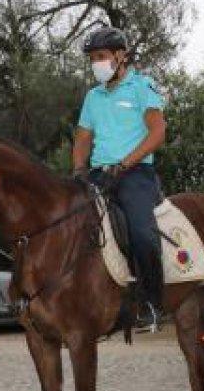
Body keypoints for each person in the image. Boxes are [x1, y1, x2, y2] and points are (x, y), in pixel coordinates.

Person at [72, 25, 168, 331]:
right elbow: (83, 138)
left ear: (120, 56)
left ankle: (152, 303)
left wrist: (126, 163)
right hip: (99, 176)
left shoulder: (143, 87)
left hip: (135, 174)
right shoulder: (92, 97)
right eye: (92, 59)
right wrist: (77, 170)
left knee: (141, 234)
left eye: (101, 56)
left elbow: (158, 133)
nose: (96, 64)